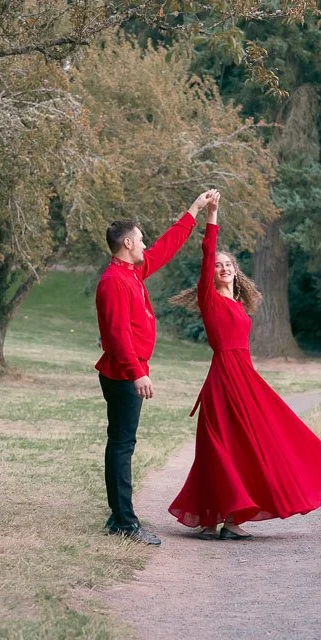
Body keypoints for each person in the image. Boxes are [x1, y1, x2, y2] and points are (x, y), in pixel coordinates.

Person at [168, 192, 321, 540]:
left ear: (235, 272)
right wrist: (211, 215)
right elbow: (208, 255)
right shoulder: (208, 299)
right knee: (216, 447)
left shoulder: (239, 305)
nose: (223, 268)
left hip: (244, 377)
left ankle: (228, 520)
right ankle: (214, 518)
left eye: (229, 265)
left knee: (258, 439)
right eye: (219, 265)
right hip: (223, 378)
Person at [96, 189, 219, 545]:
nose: (145, 243)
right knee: (121, 445)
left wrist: (195, 210)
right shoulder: (114, 281)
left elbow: (166, 248)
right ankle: (123, 522)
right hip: (122, 373)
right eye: (141, 239)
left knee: (121, 443)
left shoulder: (132, 271)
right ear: (129, 242)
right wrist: (138, 373)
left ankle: (118, 514)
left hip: (127, 371)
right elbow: (118, 337)